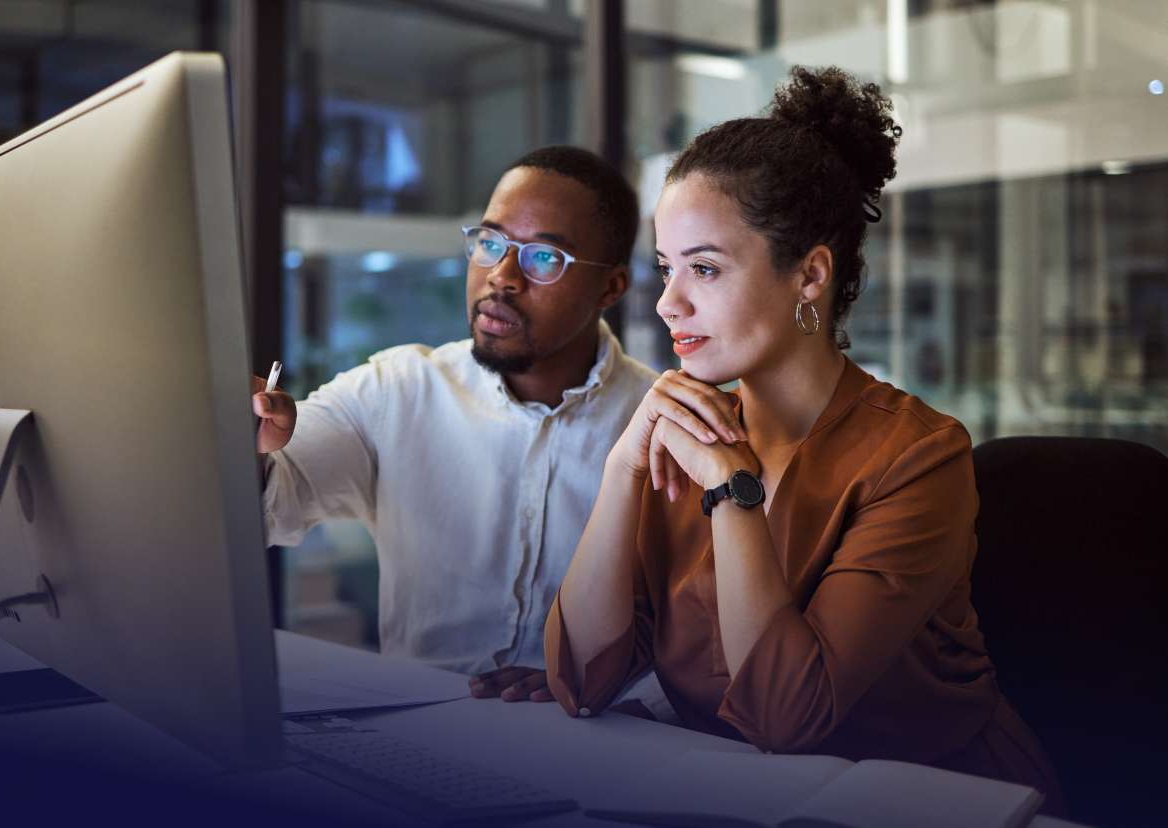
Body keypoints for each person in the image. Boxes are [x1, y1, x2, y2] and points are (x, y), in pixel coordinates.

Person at [544, 67, 1066, 814]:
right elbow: (579, 682)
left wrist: (732, 491)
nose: (668, 302)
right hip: (741, 796)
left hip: (933, 801)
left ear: (810, 275)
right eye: (665, 269)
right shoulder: (680, 434)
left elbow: (785, 717)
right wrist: (623, 467)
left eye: (705, 268)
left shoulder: (918, 456)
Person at [253, 146, 670, 719]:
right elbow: (270, 504)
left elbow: (701, 643)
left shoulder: (662, 427)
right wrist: (248, 446)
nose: (501, 276)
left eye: (544, 257)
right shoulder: (398, 389)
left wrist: (609, 688)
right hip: (414, 730)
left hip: (595, 738)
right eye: (491, 242)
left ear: (611, 288)